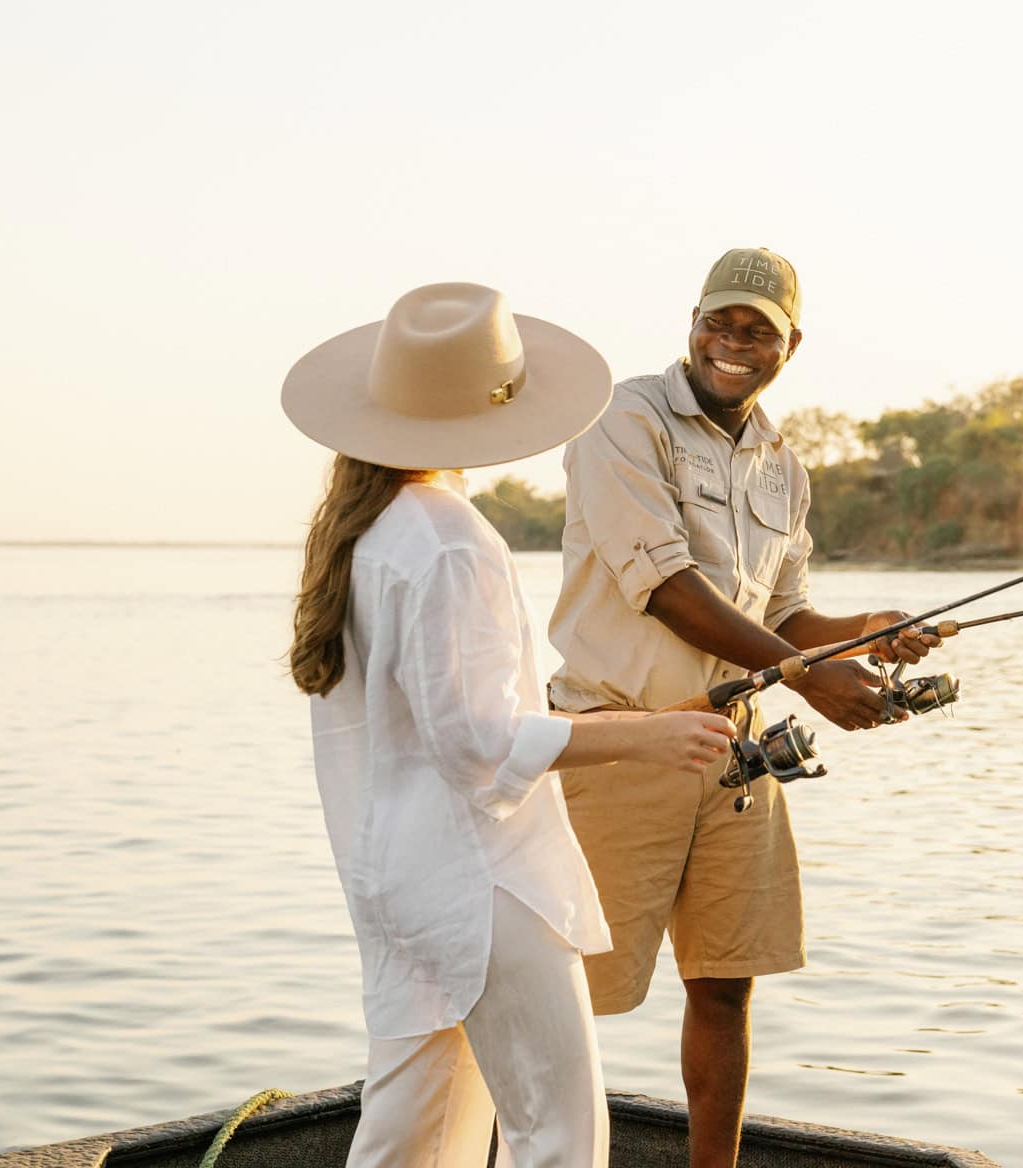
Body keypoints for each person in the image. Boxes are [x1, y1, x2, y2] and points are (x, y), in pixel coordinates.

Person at [281, 282, 737, 1168]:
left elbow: (436, 727)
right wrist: (644, 736)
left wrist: (635, 720)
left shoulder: (367, 532)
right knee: (558, 1136)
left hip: (398, 880)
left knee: (415, 1129)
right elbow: (475, 741)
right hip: (477, 885)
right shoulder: (449, 537)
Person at [547, 247, 941, 1167]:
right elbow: (665, 586)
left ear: (789, 344)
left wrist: (867, 632)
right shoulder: (623, 417)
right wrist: (808, 671)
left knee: (725, 986)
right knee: (568, 991)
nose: (731, 342)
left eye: (755, 330)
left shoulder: (783, 465)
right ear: (691, 321)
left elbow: (786, 611)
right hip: (619, 737)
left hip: (738, 749)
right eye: (717, 322)